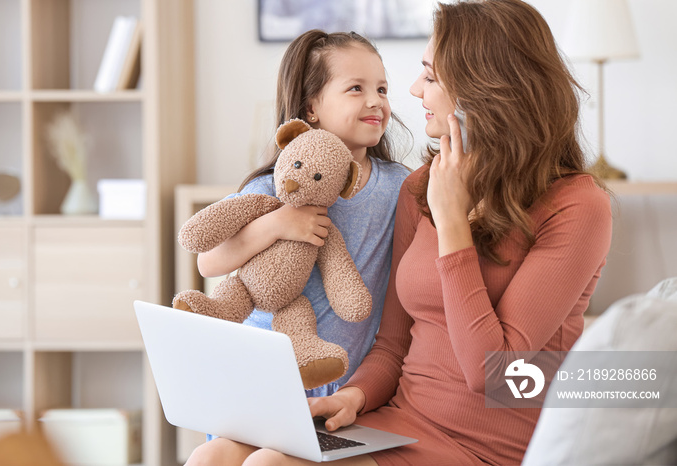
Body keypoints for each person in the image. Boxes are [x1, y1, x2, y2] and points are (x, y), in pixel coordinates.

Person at [188, 0, 613, 464]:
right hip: (396, 421)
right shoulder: (419, 186)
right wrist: (354, 396)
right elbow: (394, 344)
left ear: (486, 86)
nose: (412, 91)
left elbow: (496, 374)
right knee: (216, 455)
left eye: (429, 76)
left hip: (487, 444)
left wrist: (452, 226)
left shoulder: (577, 205)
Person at [185, 28, 411, 463]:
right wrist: (276, 224)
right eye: (355, 89)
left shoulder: (398, 187)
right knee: (208, 458)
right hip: (261, 379)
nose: (375, 101)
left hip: (334, 382)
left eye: (382, 88)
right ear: (312, 107)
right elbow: (208, 262)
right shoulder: (272, 187)